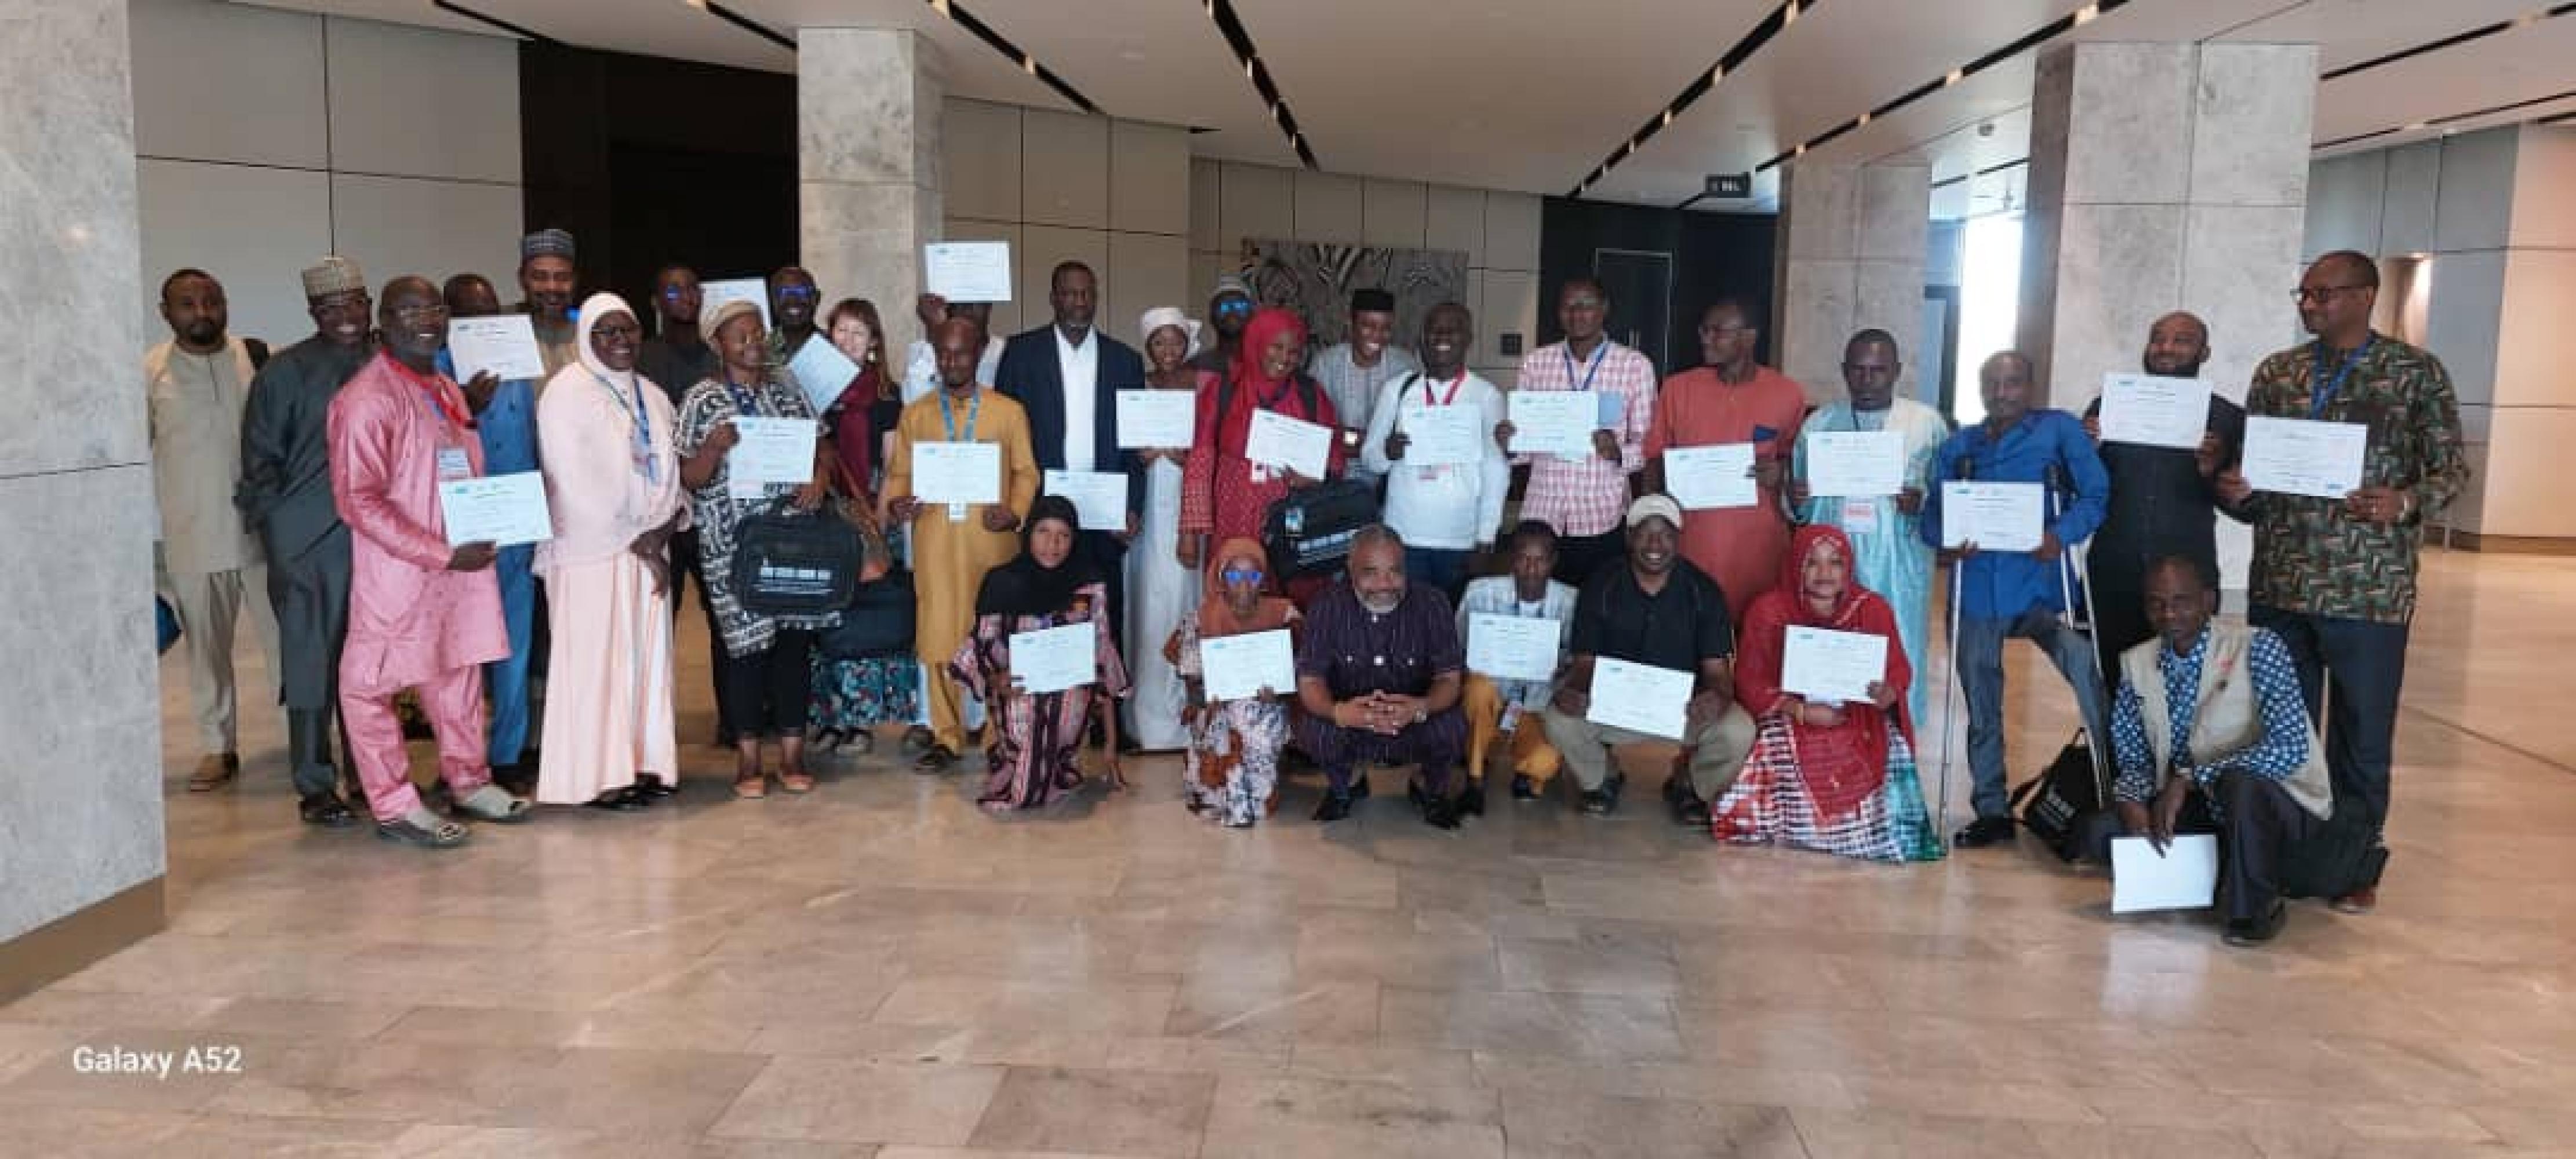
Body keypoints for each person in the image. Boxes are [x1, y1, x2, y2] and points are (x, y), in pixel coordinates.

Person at [2214, 250, 2466, 914]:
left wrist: (2404, 502)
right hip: (2281, 580)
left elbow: (2451, 471)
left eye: (2323, 294)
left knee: (2360, 735)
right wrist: (2236, 489)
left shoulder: (2415, 373)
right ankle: (2287, 850)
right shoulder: (2280, 372)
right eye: (2304, 293)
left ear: (2364, 296)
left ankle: (2355, 860)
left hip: (2368, 589)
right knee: (2281, 728)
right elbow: (2254, 486)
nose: (2309, 305)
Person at [328, 276, 533, 847]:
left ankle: (467, 780)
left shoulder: (443, 385)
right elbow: (358, 500)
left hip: (461, 567)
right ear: (383, 325)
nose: (426, 319)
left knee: (458, 668)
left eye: (434, 309)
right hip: (402, 572)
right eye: (409, 310)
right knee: (368, 685)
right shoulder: (366, 399)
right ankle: (393, 802)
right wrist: (440, 551)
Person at [2102, 557, 2373, 946]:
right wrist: (2131, 800)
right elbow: (2133, 755)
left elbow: (2290, 749)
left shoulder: (2259, 647)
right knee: (2101, 833)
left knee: (2241, 784)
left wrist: (2190, 779)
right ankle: (2218, 871)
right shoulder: (2137, 664)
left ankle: (2256, 908)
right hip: (2203, 808)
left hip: (2279, 808)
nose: (2169, 614)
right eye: (2156, 603)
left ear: (2209, 601)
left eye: (2182, 601)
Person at [1920, 351, 2113, 849]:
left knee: (2084, 667)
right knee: (1983, 705)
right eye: (1992, 384)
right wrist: (1948, 540)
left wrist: (2061, 534)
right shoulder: (1960, 446)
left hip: (2043, 590)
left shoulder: (2058, 431)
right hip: (1980, 591)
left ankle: (2115, 787)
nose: (2002, 393)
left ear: (2030, 387)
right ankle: (1992, 810)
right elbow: (1931, 517)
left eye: (2013, 383)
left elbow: (2096, 493)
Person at [675, 299, 837, 799]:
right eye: (739, 335)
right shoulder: (702, 399)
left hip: (793, 539)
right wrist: (714, 448)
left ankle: (792, 751)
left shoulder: (787, 388)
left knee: (792, 646)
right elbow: (688, 477)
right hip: (731, 545)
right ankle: (748, 758)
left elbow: (822, 447)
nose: (752, 342)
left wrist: (818, 476)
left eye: (757, 333)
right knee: (743, 652)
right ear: (717, 344)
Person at [530, 293, 685, 810]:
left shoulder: (654, 395)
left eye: (629, 331)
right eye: (608, 333)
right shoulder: (565, 394)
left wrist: (658, 534)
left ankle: (642, 763)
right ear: (587, 339)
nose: (621, 342)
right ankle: (596, 776)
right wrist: (636, 538)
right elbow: (572, 480)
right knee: (595, 664)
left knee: (643, 662)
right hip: (590, 552)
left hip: (646, 550)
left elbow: (671, 474)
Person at [237, 256, 376, 827]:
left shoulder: (387, 360)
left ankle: (373, 772)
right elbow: (259, 467)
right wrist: (283, 544)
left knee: (372, 666)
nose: (345, 315)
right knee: (311, 662)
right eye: (330, 306)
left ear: (369, 306)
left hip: (378, 541)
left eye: (354, 303)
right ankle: (316, 783)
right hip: (308, 543)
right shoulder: (284, 372)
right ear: (313, 312)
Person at [1712, 524, 1940, 862]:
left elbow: (1899, 669)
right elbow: (1749, 680)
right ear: (1796, 567)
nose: (1825, 574)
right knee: (1781, 742)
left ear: (1848, 568)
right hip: (1791, 713)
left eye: (1835, 563)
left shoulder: (1872, 608)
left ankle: (1857, 835)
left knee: (1876, 746)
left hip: (1856, 712)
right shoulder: (1769, 610)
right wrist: (1799, 711)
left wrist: (1888, 691)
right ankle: (1804, 829)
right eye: (1812, 563)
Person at [885, 317, 1043, 771]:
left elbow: (1026, 472)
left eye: (962, 353)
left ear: (978, 355)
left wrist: (1015, 510)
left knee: (994, 639)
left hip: (992, 544)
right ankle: (946, 735)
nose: (952, 362)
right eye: (945, 353)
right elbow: (900, 475)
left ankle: (997, 734)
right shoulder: (916, 414)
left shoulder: (1007, 411)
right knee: (937, 636)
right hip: (935, 540)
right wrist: (899, 504)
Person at [146, 268, 280, 793]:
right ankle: (216, 747)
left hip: (266, 536)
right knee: (206, 651)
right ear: (166, 312)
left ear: (226, 304)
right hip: (194, 538)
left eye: (211, 301)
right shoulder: (150, 372)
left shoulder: (259, 357)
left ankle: (306, 742)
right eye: (188, 303)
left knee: (287, 646)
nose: (201, 312)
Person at [1544, 495, 1756, 821]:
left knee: (1738, 729)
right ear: (1629, 537)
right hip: (1614, 706)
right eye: (1645, 534)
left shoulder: (1704, 591)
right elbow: (1584, 662)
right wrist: (1575, 691)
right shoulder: (1602, 584)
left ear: (1678, 540)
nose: (1655, 544)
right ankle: (1602, 778)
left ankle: (1691, 786)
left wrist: (1718, 698)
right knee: (1558, 718)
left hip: (1683, 711)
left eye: (1666, 535)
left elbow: (1717, 671)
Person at [1789, 330, 1949, 723]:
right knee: (1833, 661)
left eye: (1878, 370)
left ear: (1897, 370)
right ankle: (1834, 755)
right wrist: (1797, 501)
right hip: (1832, 569)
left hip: (1899, 567)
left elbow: (1950, 497)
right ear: (1844, 371)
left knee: (1898, 652)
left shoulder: (1926, 424)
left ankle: (1898, 749)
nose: (1867, 380)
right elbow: (1801, 514)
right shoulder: (1820, 425)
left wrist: (1924, 502)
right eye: (1857, 370)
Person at [2081, 312, 2246, 683]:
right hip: (2113, 568)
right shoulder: (2110, 406)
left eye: (2182, 340)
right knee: (2111, 676)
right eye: (2158, 339)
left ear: (2204, 353)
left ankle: (2176, 746)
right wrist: (2085, 450)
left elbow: (2246, 507)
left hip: (2189, 572)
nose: (2166, 348)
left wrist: (2212, 472)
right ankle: (2113, 745)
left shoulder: (2228, 419)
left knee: (2187, 681)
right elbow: (2078, 486)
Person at [995, 261, 1148, 653]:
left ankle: (1105, 710)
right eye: (1069, 293)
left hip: (1104, 514)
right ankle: (1048, 707)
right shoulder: (1021, 353)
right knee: (1044, 612)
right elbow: (1004, 435)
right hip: (1043, 510)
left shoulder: (1125, 361)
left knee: (1104, 613)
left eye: (1087, 294)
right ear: (1053, 298)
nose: (1079, 303)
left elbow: (1134, 443)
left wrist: (1131, 506)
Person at [950, 495, 1131, 811]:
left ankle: (1054, 765)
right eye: (1043, 532)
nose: (1053, 544)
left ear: (1074, 540)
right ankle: (1015, 760)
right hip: (1016, 685)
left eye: (1063, 535)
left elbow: (1104, 654)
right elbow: (982, 644)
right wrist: (996, 678)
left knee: (1068, 703)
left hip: (1070, 689)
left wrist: (1111, 751)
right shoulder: (1001, 581)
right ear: (1028, 534)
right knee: (1025, 714)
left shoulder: (1089, 584)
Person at [1293, 526, 1471, 828]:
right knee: (1314, 727)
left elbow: (1450, 679)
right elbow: (1311, 681)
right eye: (1371, 573)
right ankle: (1345, 787)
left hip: (1412, 719)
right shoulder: (1326, 606)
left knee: (1452, 726)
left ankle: (1430, 791)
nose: (1384, 584)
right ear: (1350, 571)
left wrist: (1420, 707)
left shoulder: (1434, 604)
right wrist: (1340, 713)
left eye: (1395, 572)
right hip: (1353, 721)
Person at [1644, 298, 1807, 622]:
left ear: (1749, 337)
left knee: (1755, 639)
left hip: (1759, 550)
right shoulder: (1677, 389)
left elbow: (1800, 467)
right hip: (1692, 544)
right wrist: (1657, 519)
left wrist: (1783, 474)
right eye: (1704, 330)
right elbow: (1653, 461)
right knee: (1689, 637)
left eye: (1718, 332)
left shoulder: (1788, 394)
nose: (1706, 339)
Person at [807, 297, 920, 755]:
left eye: (860, 333)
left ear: (874, 343)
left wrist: (878, 511)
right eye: (841, 330)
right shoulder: (812, 391)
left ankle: (862, 722)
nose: (849, 340)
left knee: (867, 619)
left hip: (873, 516)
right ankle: (830, 717)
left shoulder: (887, 396)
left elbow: (894, 463)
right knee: (828, 617)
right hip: (823, 517)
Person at [1178, 307, 1348, 604]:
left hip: (1292, 516)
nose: (1284, 359)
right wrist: (1190, 531)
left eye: (1294, 352)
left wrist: (1316, 477)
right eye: (1276, 347)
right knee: (1234, 592)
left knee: (1293, 594)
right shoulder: (1225, 390)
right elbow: (1201, 460)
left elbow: (1334, 457)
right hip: (1234, 517)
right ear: (1256, 343)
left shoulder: (1310, 395)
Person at [1497, 278, 1657, 586]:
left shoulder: (1635, 366)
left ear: (1604, 310)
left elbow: (1646, 445)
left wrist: (1617, 451)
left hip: (1601, 515)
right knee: (1542, 606)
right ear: (1559, 313)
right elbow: (1524, 450)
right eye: (1568, 307)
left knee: (1594, 610)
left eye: (1586, 305)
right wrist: (1510, 443)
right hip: (1543, 514)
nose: (1577, 313)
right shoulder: (1537, 363)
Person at [635, 264, 731, 739]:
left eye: (694, 288)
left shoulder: (718, 358)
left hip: (713, 506)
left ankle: (735, 722)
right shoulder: (641, 357)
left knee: (723, 617)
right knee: (658, 621)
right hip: (660, 510)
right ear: (656, 301)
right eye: (673, 289)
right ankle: (655, 728)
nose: (686, 296)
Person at [1362, 301, 1508, 600]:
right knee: (1405, 626)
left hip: (1461, 540)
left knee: (1449, 631)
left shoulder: (1486, 395)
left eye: (1452, 329)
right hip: (1403, 537)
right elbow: (1370, 459)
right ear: (1422, 338)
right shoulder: (1398, 390)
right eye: (1433, 329)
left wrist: (1486, 538)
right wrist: (1387, 453)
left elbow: (1496, 470)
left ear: (1467, 338)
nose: (1442, 335)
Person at [1168, 537, 1300, 827]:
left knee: (1260, 800)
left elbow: (1301, 669)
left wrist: (1279, 693)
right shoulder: (1202, 618)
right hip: (1216, 709)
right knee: (1215, 771)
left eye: (1252, 575)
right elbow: (1190, 678)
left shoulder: (1284, 613)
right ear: (1220, 579)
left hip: (1264, 709)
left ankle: (1257, 787)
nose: (1243, 583)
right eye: (1234, 574)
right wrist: (1205, 698)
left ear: (1263, 581)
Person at [1126, 307, 1209, 752]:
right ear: (1148, 347)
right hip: (1147, 509)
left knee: (1180, 602)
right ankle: (1143, 721)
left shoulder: (1202, 386)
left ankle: (1181, 718)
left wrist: (1188, 456)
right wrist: (1137, 454)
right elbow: (1122, 446)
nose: (1168, 351)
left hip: (1186, 506)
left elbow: (1211, 446)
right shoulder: (1137, 387)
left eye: (1175, 341)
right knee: (1146, 607)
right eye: (1159, 343)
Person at [1456, 520, 1576, 804]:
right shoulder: (1480, 593)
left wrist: (1564, 669)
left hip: (1536, 706)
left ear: (1553, 561)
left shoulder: (1572, 602)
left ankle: (1526, 770)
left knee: (1544, 763)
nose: (1531, 569)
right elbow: (1456, 647)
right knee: (1478, 688)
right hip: (1488, 700)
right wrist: (1475, 664)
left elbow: (1578, 661)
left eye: (1540, 561)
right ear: (1512, 559)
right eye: (1523, 559)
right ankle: (1475, 773)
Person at [1310, 287, 1421, 481]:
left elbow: (1413, 428)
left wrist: (1363, 443)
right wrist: (1365, 441)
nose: (1377, 336)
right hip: (1335, 474)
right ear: (1351, 324)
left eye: (1385, 328)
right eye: (1368, 326)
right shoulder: (1327, 364)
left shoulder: (1405, 365)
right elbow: (1314, 429)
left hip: (1389, 474)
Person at [904, 294, 1003, 403]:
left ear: (989, 306)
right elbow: (915, 404)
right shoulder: (922, 351)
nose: (967, 308)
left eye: (976, 300)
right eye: (958, 302)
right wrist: (936, 336)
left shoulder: (1006, 352)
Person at [518, 228, 581, 379]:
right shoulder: (503, 332)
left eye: (562, 277)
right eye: (540, 277)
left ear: (575, 281)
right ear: (522, 280)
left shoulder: (591, 331)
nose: (552, 287)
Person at [1187, 275, 1256, 376]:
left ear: (1252, 314)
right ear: (1211, 317)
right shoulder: (1196, 366)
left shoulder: (1266, 363)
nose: (1232, 312)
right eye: (1224, 307)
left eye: (1240, 306)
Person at [766, 266, 822, 363]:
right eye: (785, 292)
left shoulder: (834, 348)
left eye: (801, 292)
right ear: (774, 301)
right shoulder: (760, 350)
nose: (793, 300)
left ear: (816, 299)